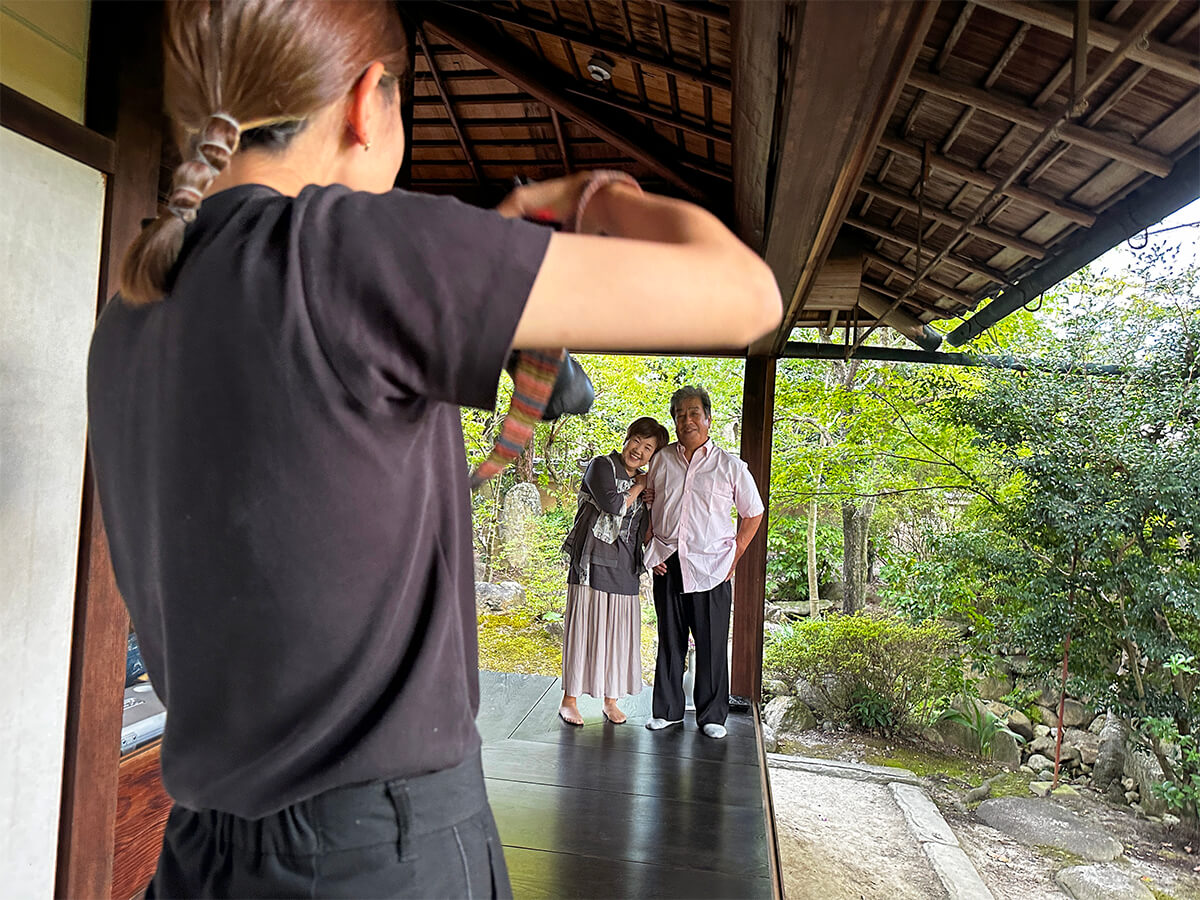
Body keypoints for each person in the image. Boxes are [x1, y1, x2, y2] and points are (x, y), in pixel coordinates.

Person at [86, 1, 781, 896]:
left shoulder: (132, 312)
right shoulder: (345, 249)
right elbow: (745, 296)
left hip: (203, 855)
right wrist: (599, 196)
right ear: (368, 101)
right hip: (378, 853)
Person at [643, 386, 765, 740]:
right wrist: (651, 551)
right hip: (668, 563)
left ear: (708, 419)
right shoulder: (662, 460)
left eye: (694, 413)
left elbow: (753, 513)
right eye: (680, 415)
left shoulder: (729, 466)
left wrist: (735, 556)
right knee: (669, 640)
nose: (687, 420)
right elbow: (650, 506)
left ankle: (712, 715)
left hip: (712, 568)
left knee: (712, 643)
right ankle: (666, 711)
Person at [558, 417, 670, 726]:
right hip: (592, 562)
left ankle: (611, 699)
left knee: (618, 634)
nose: (640, 451)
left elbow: (644, 527)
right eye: (637, 441)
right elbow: (612, 504)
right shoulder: (602, 465)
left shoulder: (646, 483)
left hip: (625, 566)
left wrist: (652, 554)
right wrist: (640, 485)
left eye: (649, 448)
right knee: (585, 629)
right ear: (628, 438)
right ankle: (569, 699)